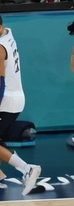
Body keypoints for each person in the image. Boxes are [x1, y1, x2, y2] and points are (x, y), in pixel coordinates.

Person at [0, 14, 41, 195]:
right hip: (15, 98)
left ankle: (27, 169)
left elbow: (0, 81)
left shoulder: (0, 48)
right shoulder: (8, 34)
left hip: (6, 100)